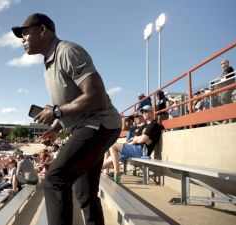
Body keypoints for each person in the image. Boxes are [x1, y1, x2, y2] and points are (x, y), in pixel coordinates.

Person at [12, 13, 122, 225]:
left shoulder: (68, 51)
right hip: (89, 125)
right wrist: (56, 126)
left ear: (43, 30)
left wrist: (55, 112)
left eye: (26, 32)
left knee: (55, 179)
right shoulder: (48, 63)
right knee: (85, 193)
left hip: (99, 124)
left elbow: (96, 97)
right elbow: (71, 101)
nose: (22, 38)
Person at [102, 105, 163, 183]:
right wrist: (138, 139)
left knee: (113, 146)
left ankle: (117, 173)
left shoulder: (153, 125)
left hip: (142, 151)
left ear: (151, 112)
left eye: (146, 111)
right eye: (143, 112)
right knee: (112, 158)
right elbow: (138, 139)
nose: (144, 113)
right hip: (135, 148)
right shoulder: (146, 125)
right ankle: (92, 170)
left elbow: (142, 140)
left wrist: (139, 139)